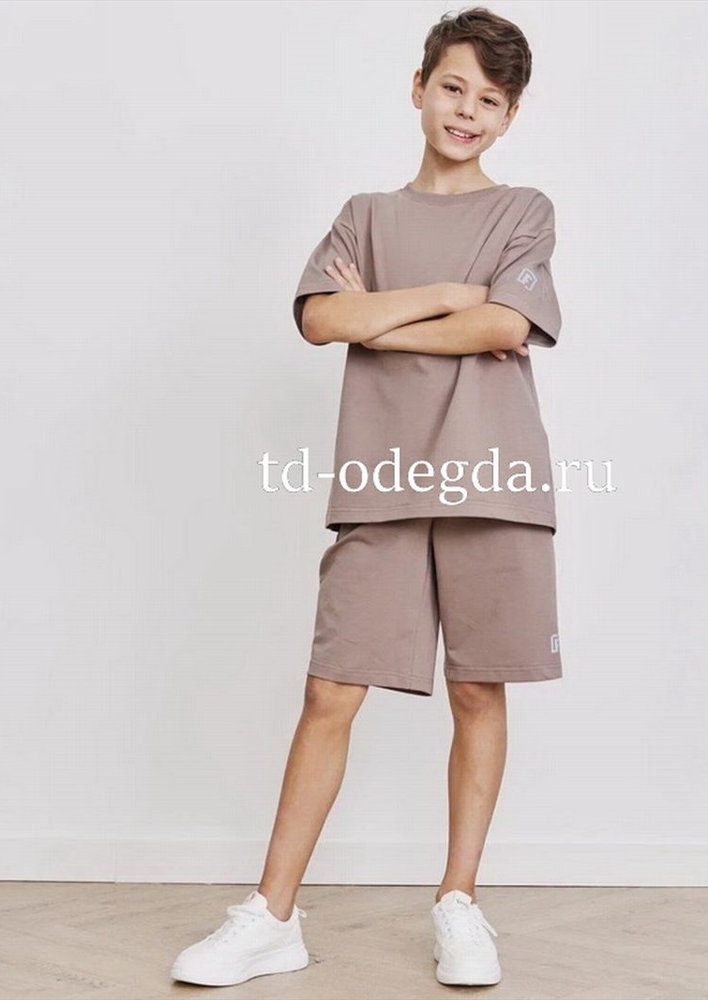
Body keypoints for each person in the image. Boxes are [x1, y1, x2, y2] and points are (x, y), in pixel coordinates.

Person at [172, 4, 564, 989]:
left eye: (490, 100)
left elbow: (502, 329)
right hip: (381, 480)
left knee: (478, 687)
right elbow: (319, 318)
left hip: (495, 479)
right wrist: (448, 295)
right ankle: (271, 916)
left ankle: (459, 903)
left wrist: (381, 317)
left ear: (510, 116)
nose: (467, 111)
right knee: (330, 689)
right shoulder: (365, 215)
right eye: (454, 87)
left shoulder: (524, 209)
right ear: (419, 86)